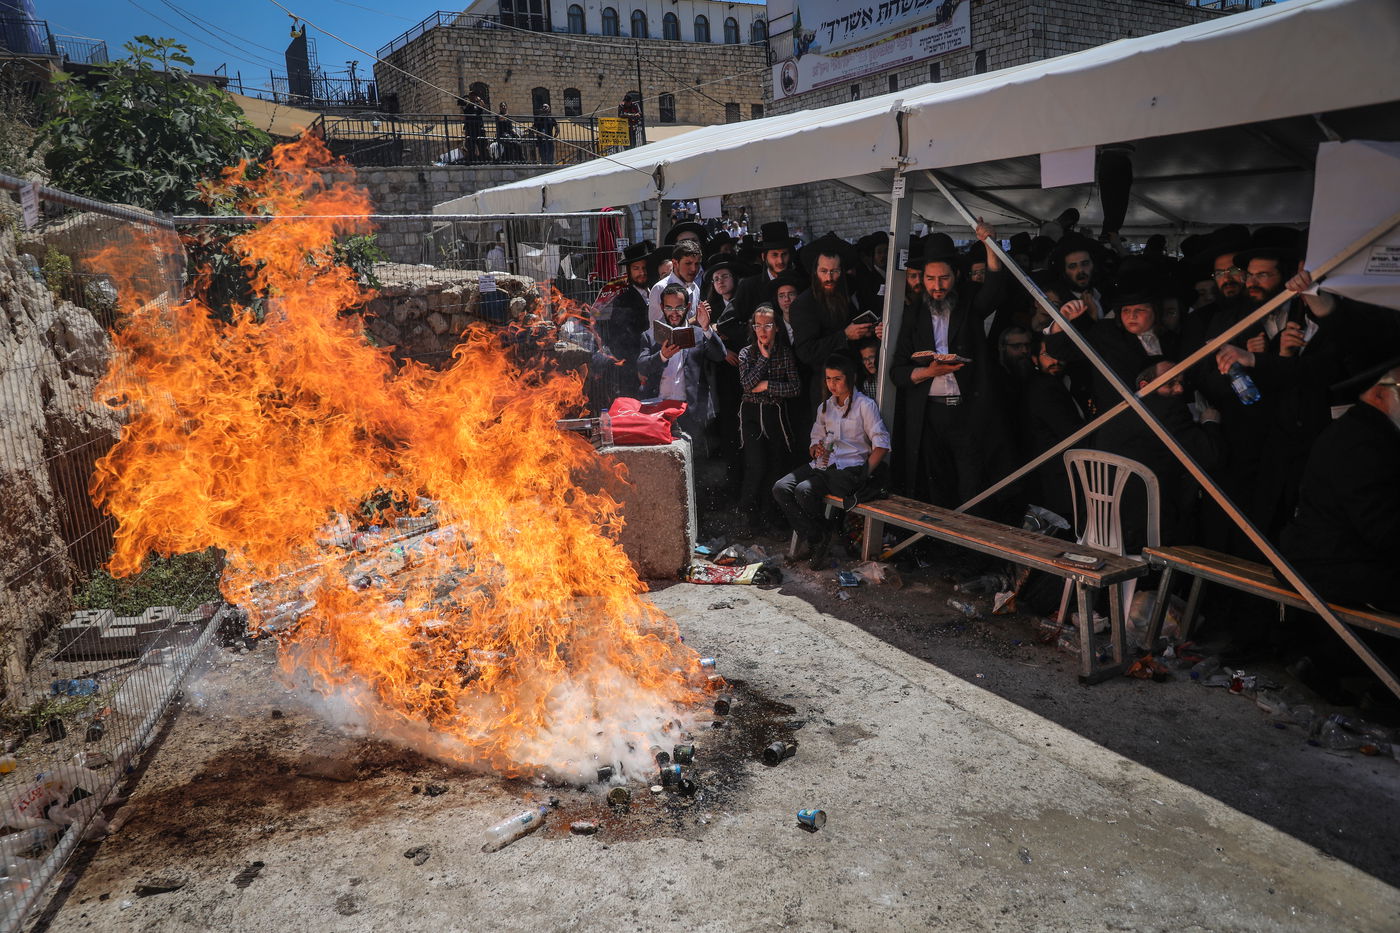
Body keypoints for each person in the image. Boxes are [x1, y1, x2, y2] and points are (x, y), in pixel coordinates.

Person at [889, 220, 1014, 511]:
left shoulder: (969, 302)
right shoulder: (912, 315)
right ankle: (941, 547)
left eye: (943, 278)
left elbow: (995, 289)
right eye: (930, 279)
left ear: (955, 275)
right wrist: (927, 372)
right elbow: (898, 371)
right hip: (929, 415)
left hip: (967, 411)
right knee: (936, 482)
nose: (936, 286)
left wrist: (990, 245)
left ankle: (970, 549)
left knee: (971, 483)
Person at [1280, 359, 1400, 612]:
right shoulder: (1362, 442)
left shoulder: (1367, 431)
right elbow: (1381, 526)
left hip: (1338, 557)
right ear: (1380, 394)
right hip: (1335, 565)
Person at [773, 355, 890, 569]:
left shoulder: (865, 405)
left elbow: (881, 444)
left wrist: (865, 474)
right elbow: (815, 439)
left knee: (804, 491)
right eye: (828, 379)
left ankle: (817, 538)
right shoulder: (825, 407)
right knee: (781, 488)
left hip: (848, 469)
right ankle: (819, 535)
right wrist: (815, 448)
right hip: (823, 465)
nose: (832, 385)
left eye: (837, 379)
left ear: (850, 379)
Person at [738, 304, 801, 536]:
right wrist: (763, 359)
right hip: (752, 414)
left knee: (776, 467)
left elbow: (795, 387)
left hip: (776, 414)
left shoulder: (785, 353)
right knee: (756, 466)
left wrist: (766, 385)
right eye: (758, 325)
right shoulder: (747, 353)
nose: (763, 330)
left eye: (768, 325)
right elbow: (746, 385)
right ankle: (748, 517)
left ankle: (770, 518)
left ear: (776, 328)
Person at [637, 283, 727, 440]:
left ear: (688, 306)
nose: (674, 313)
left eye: (679, 308)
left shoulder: (699, 334)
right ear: (661, 306)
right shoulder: (650, 336)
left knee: (696, 460)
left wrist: (706, 329)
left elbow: (719, 355)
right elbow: (642, 366)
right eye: (669, 308)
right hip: (659, 410)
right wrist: (662, 356)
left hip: (691, 411)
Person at [598, 240, 655, 397]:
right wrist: (638, 368)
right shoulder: (623, 299)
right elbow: (622, 341)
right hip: (634, 369)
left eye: (644, 268)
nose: (641, 272)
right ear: (629, 271)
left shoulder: (655, 292)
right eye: (636, 269)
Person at [647, 239, 707, 324]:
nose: (694, 269)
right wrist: (691, 321)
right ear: (675, 263)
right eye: (688, 263)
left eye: (697, 264)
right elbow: (656, 329)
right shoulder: (660, 288)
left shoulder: (695, 289)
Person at [460, 92, 488, 164]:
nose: (473, 97)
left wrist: (480, 100)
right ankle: (472, 161)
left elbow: (484, 108)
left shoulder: (478, 105)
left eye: (474, 95)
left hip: (478, 128)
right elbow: (462, 114)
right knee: (470, 146)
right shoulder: (467, 105)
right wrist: (463, 103)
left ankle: (483, 161)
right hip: (470, 129)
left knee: (482, 145)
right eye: (471, 96)